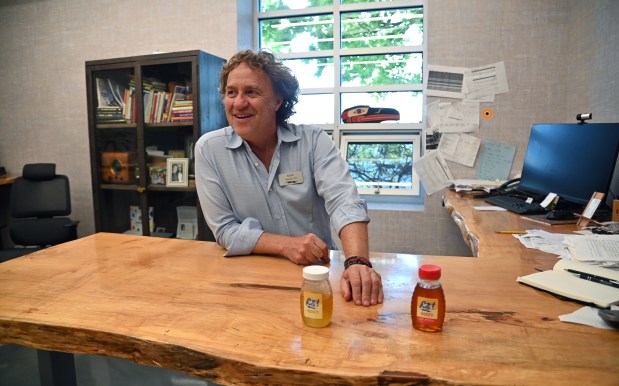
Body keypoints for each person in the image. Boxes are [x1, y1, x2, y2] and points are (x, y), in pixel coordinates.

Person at [195, 49, 383, 307]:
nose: (238, 103)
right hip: (246, 284)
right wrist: (286, 245)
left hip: (315, 278)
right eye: (231, 92)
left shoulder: (314, 141)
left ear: (277, 101)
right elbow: (225, 229)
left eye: (251, 92)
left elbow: (344, 202)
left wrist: (357, 261)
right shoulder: (209, 150)